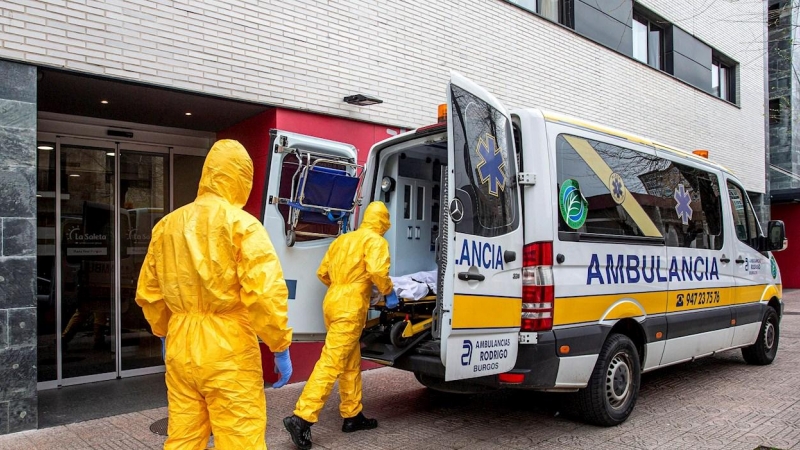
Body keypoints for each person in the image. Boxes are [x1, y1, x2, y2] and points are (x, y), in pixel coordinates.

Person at [135, 139, 293, 450]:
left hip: (181, 345)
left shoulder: (166, 226)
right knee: (239, 436)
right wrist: (279, 345)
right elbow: (264, 294)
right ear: (241, 179)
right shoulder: (243, 226)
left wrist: (164, 331)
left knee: (183, 436)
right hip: (228, 348)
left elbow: (149, 292)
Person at [283, 201, 398, 450]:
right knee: (332, 362)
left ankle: (352, 414)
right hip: (350, 305)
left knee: (349, 361)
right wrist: (388, 291)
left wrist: (341, 286)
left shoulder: (342, 240)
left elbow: (322, 273)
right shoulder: (375, 241)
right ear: (383, 222)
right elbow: (378, 270)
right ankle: (302, 418)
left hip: (332, 301)